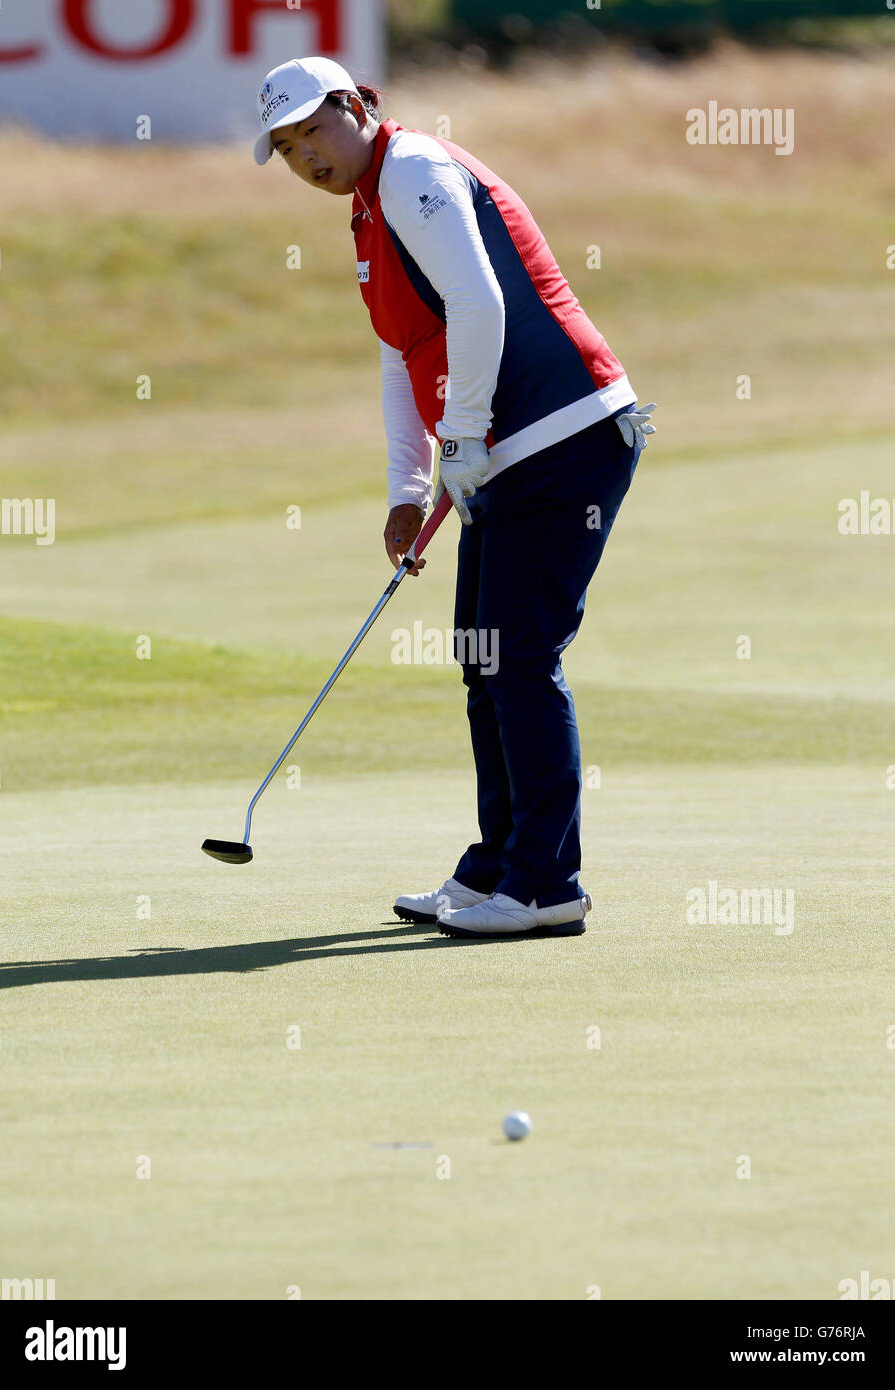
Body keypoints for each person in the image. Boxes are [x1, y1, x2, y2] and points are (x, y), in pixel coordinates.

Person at [253, 56, 655, 939]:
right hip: (507, 451)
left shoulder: (415, 171)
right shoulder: (369, 209)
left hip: (563, 435)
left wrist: (464, 438)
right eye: (287, 148)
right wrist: (407, 486)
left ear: (360, 107)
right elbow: (404, 351)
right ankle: (498, 867)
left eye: (317, 128)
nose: (307, 156)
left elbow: (478, 305)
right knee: (484, 657)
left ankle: (547, 884)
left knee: (517, 655)